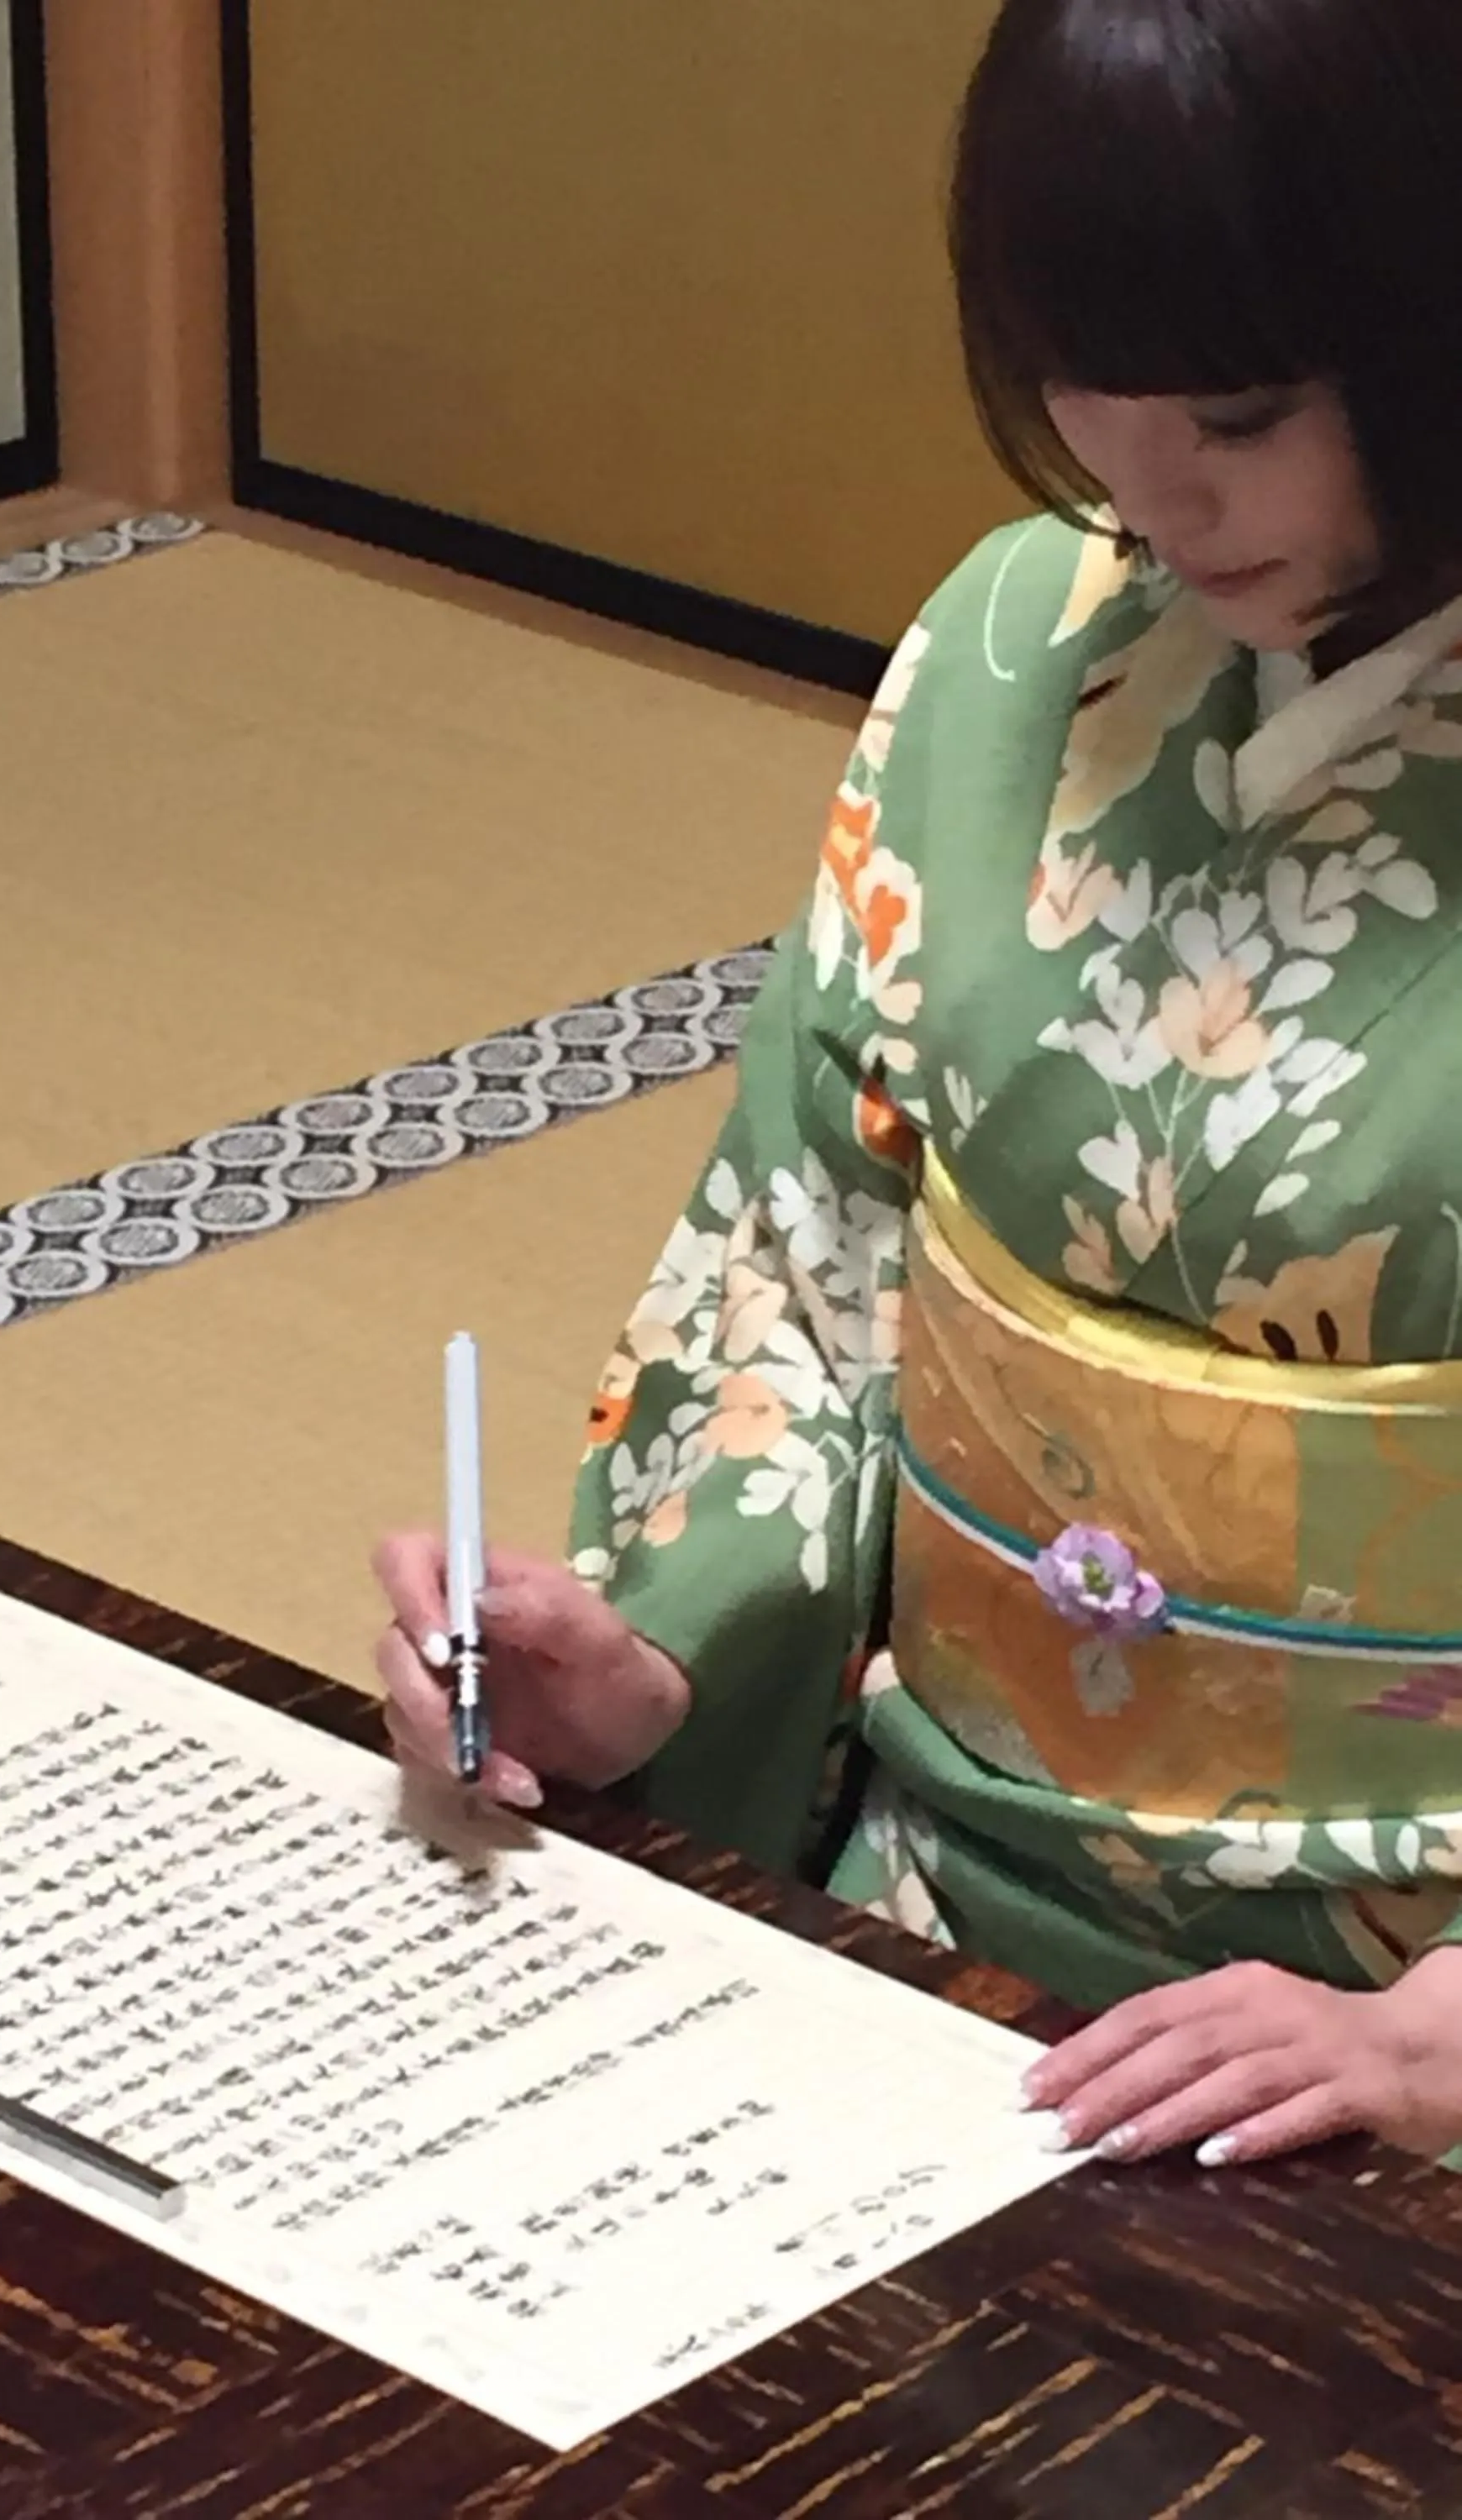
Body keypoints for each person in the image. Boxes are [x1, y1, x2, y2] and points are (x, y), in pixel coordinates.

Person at [374, 0, 1462, 2173]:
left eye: (1241, 410)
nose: (1155, 494)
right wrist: (646, 1657)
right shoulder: (1013, 651)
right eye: (1091, 395)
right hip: (934, 1916)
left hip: (1401, 2033)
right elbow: (802, 1266)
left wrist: (1438, 2043)